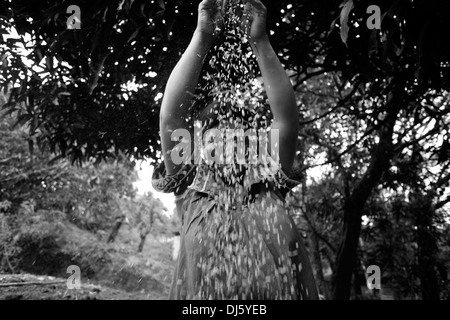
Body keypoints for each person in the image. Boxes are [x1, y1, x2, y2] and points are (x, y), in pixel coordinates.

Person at [153, 0, 319, 300]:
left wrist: (260, 40)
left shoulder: (270, 183)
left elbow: (286, 119)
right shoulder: (191, 188)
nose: (229, 138)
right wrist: (202, 36)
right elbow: (172, 117)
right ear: (201, 148)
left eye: (242, 134)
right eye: (217, 133)